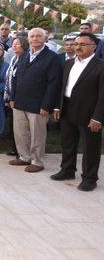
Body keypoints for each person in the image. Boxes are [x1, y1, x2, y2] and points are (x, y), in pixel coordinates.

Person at [51, 33, 104, 191]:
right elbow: (62, 87)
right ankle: (67, 170)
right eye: (76, 44)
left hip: (89, 112)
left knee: (90, 147)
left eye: (83, 44)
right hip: (67, 108)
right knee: (68, 142)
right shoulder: (68, 63)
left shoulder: (100, 66)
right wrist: (57, 106)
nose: (78, 47)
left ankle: (89, 178)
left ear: (94, 47)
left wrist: (98, 118)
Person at [9, 28, 62, 172]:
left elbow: (54, 84)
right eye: (32, 36)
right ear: (28, 39)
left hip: (39, 104)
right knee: (20, 132)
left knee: (37, 134)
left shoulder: (52, 57)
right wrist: (12, 97)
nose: (35, 39)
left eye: (39, 36)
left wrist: (47, 105)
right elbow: (16, 77)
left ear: (45, 38)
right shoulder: (24, 55)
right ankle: (24, 157)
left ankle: (36, 161)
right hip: (20, 102)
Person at [4, 36, 29, 156]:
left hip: (21, 98)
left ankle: (23, 151)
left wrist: (13, 98)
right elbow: (9, 78)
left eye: (17, 44)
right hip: (11, 96)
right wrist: (9, 97)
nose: (14, 46)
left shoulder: (26, 58)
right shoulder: (14, 58)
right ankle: (15, 148)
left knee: (23, 127)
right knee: (13, 125)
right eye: (13, 44)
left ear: (24, 45)